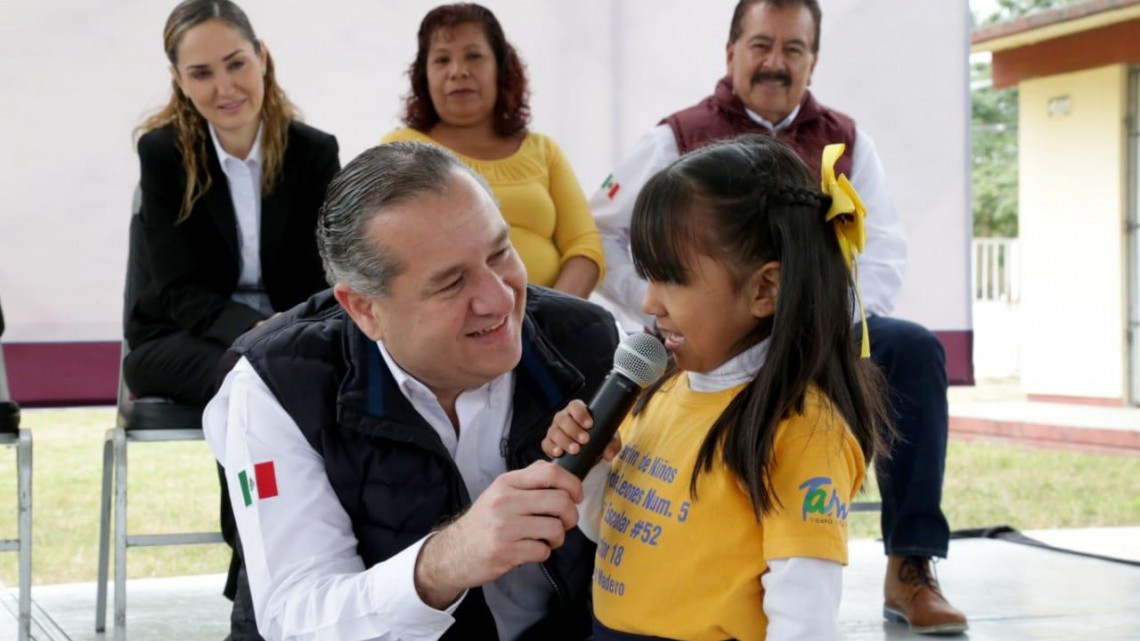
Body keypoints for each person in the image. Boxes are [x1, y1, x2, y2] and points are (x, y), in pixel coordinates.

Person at [588, 0, 967, 634]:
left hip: (825, 322)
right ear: (731, 51)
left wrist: (821, 317)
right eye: (762, 44)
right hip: (708, 328)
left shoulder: (848, 138)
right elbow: (604, 235)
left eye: (794, 49)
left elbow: (882, 249)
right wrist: (669, 299)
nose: (775, 62)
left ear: (813, 60)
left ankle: (911, 561)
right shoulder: (674, 137)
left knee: (915, 351)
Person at [203, 141, 619, 641]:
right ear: (364, 309)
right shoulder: (277, 384)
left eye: (500, 252)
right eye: (450, 283)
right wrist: (444, 562)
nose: (499, 298)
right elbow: (297, 615)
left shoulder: (589, 342)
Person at [544, 136, 888, 640]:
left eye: (670, 279)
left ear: (764, 290)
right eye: (646, 276)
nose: (649, 302)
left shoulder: (803, 430)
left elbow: (805, 615)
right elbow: (610, 533)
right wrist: (592, 465)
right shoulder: (658, 391)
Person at [124, 0, 340, 636]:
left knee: (287, 376)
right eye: (201, 73)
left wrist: (281, 332)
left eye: (236, 63)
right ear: (179, 81)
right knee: (247, 377)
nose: (224, 88)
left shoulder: (312, 152)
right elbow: (178, 293)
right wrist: (260, 337)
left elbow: (324, 273)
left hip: (287, 331)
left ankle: (303, 573)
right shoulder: (164, 154)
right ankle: (254, 584)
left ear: (262, 57)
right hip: (177, 338)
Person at [381, 3, 605, 299]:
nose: (458, 72)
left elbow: (584, 246)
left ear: (500, 69)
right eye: (441, 60)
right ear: (424, 76)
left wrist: (551, 318)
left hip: (549, 327)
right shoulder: (402, 150)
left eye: (474, 56)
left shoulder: (544, 150)